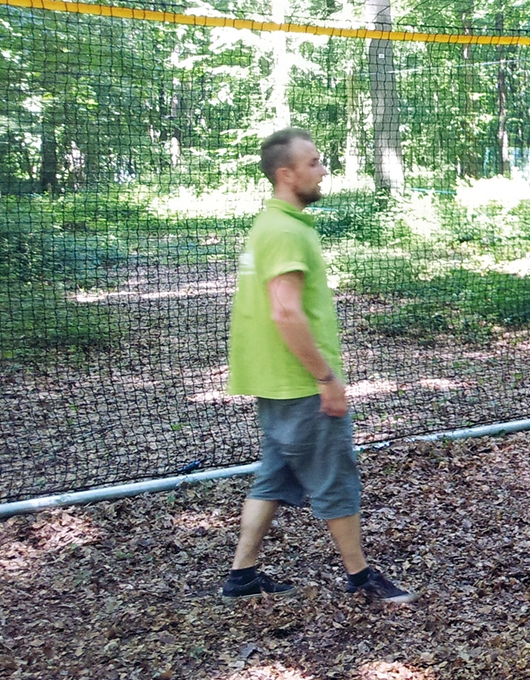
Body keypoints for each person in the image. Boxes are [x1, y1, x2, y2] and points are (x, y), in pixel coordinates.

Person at [221, 128, 414, 605]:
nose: (322, 169)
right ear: (286, 174)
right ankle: (361, 577)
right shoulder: (285, 231)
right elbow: (285, 311)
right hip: (300, 385)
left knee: (273, 476)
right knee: (335, 477)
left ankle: (242, 575)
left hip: (275, 383)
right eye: (313, 162)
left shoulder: (269, 224)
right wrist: (325, 378)